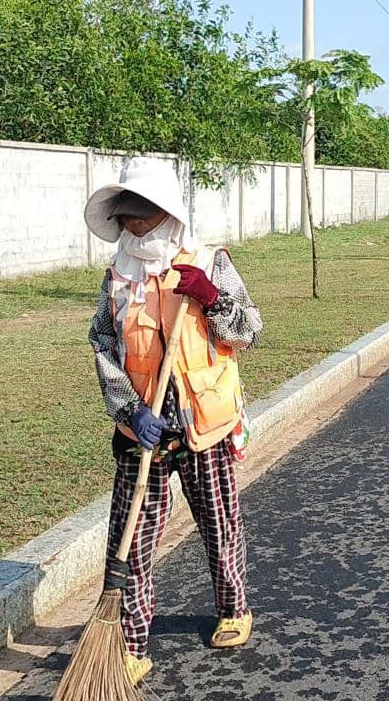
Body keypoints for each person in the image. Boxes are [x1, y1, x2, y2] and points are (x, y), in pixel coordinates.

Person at [84, 157, 262, 685]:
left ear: (167, 214)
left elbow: (249, 333)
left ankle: (234, 608)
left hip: (203, 422)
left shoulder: (209, 262)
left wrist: (211, 299)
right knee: (131, 538)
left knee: (218, 525)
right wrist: (129, 408)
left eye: (143, 216)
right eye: (127, 218)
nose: (135, 227)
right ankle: (130, 642)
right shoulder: (117, 277)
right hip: (144, 429)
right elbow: (102, 342)